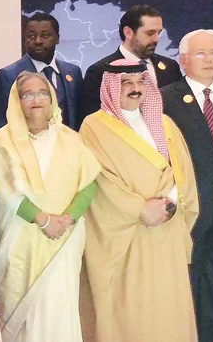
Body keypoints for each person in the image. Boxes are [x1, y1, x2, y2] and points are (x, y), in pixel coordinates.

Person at [79, 59, 199, 342]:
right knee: (130, 309)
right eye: (126, 83)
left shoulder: (165, 124)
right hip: (126, 233)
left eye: (140, 81)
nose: (135, 88)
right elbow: (99, 180)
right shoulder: (94, 126)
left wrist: (169, 204)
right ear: (111, 87)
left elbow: (183, 170)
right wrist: (140, 209)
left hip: (166, 229)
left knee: (167, 306)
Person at [0, 71, 99, 341]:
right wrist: (43, 220)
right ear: (17, 101)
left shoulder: (70, 138)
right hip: (23, 239)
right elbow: (5, 191)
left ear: (52, 99)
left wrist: (68, 218)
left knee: (61, 309)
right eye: (27, 94)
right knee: (25, 316)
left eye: (42, 93)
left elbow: (89, 183)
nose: (36, 100)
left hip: (65, 238)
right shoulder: (5, 139)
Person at [162, 30, 213, 342]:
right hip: (188, 208)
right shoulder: (165, 99)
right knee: (186, 281)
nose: (210, 60)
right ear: (183, 60)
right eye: (201, 53)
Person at [79, 4, 182, 121]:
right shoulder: (101, 71)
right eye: (150, 33)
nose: (156, 39)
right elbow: (92, 121)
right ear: (128, 32)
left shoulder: (170, 67)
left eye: (159, 33)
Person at [0, 13, 83, 133]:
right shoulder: (8, 76)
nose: (38, 41)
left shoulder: (73, 73)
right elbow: (0, 124)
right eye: (31, 36)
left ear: (57, 38)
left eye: (45, 35)